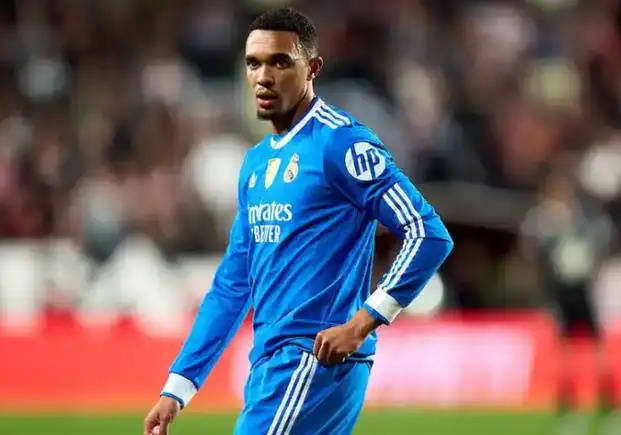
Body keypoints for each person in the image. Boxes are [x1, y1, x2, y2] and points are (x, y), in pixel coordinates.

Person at [144, 7, 453, 435]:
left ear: (313, 68)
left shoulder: (340, 143)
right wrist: (178, 386)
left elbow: (427, 233)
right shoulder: (255, 164)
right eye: (254, 63)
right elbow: (234, 284)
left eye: (280, 62)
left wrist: (363, 322)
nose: (264, 77)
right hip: (271, 365)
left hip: (310, 359)